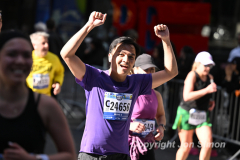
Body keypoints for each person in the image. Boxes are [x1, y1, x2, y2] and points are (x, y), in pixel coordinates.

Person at [60, 11, 178, 160]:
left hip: (120, 155)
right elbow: (66, 55)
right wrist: (89, 25)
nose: (125, 59)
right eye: (120, 54)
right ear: (110, 56)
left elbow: (171, 72)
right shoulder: (94, 76)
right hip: (92, 153)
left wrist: (166, 40)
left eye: (131, 56)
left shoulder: (135, 83)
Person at [0, 30, 76, 160]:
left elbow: (70, 155)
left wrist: (33, 159)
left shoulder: (47, 106)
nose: (19, 61)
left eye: (26, 55)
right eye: (11, 54)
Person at [172, 51, 217, 160]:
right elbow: (186, 96)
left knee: (207, 144)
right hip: (186, 113)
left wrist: (209, 101)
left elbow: (204, 93)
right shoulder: (192, 75)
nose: (207, 68)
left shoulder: (210, 77)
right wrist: (206, 91)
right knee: (186, 147)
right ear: (197, 63)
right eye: (205, 65)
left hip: (202, 114)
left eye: (209, 65)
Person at [128, 54, 166, 160]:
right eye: (146, 69)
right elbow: (112, 118)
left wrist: (161, 127)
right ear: (135, 70)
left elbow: (161, 115)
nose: (149, 73)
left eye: (152, 70)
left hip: (147, 144)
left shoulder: (156, 95)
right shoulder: (127, 92)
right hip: (127, 143)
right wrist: (129, 126)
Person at [26, 32, 64, 97]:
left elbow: (59, 72)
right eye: (43, 43)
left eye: (47, 42)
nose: (47, 45)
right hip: (28, 97)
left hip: (46, 97)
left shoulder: (54, 58)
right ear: (34, 45)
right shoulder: (27, 58)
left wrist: (57, 83)